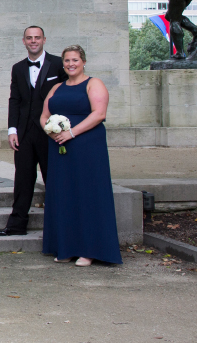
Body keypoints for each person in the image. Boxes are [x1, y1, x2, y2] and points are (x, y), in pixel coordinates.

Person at [40, 45, 122, 266]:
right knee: (64, 195)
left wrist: (72, 133)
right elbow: (44, 115)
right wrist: (51, 131)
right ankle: (66, 247)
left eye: (75, 60)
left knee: (87, 195)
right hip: (60, 147)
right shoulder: (56, 87)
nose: (70, 64)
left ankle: (89, 250)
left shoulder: (94, 83)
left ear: (83, 61)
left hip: (87, 147)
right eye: (67, 61)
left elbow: (99, 113)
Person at [0, 26, 68, 237]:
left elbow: (64, 97)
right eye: (29, 38)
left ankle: (58, 226)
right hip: (24, 132)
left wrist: (61, 128)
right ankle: (16, 225)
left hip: (49, 132)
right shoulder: (17, 68)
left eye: (37, 38)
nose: (33, 41)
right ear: (24, 41)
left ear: (44, 39)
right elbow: (14, 100)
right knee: (23, 179)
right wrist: (12, 129)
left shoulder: (58, 64)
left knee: (52, 178)